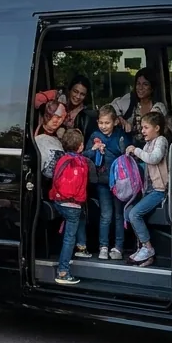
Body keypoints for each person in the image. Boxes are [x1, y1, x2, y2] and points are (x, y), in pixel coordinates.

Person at [51, 128, 98, 284]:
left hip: (58, 202)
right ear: (81, 146)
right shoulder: (82, 162)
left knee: (81, 217)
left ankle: (81, 246)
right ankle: (63, 272)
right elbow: (94, 179)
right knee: (69, 237)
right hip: (73, 206)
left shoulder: (61, 159)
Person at [124, 111, 170, 268]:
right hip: (148, 190)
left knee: (134, 214)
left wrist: (136, 150)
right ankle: (143, 252)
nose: (142, 131)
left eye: (146, 127)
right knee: (128, 212)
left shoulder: (161, 141)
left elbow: (154, 158)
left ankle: (147, 248)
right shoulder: (148, 144)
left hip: (159, 190)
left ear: (157, 128)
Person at [88, 106, 131, 260]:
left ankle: (118, 247)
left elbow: (126, 153)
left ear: (114, 122)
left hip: (119, 182)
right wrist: (94, 149)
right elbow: (86, 155)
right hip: (102, 182)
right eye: (101, 122)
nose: (104, 126)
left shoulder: (120, 135)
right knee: (106, 215)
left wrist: (109, 148)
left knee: (119, 215)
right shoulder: (94, 135)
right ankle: (103, 246)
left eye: (107, 123)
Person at [109, 67, 167, 135]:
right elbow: (109, 109)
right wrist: (120, 119)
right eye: (138, 84)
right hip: (130, 144)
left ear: (152, 88)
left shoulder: (159, 107)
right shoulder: (130, 100)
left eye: (145, 84)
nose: (140, 87)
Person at [33, 99, 67, 179]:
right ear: (47, 114)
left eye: (61, 118)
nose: (57, 121)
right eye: (55, 116)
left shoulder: (62, 133)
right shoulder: (34, 129)